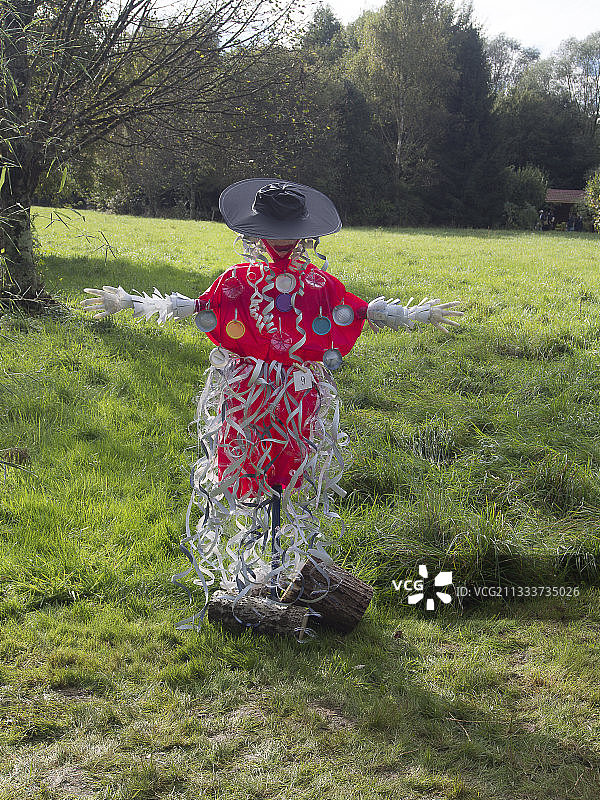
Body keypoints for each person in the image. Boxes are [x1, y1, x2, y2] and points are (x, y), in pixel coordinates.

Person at [81, 179, 463, 629]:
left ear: (305, 235)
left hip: (299, 395)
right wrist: (128, 302)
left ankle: (279, 563)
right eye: (272, 232)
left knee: (290, 467)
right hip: (247, 392)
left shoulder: (319, 284)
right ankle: (251, 567)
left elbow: (356, 310)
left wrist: (414, 314)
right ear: (255, 234)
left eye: (288, 232)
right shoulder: (237, 281)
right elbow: (199, 306)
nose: (280, 242)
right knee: (246, 468)